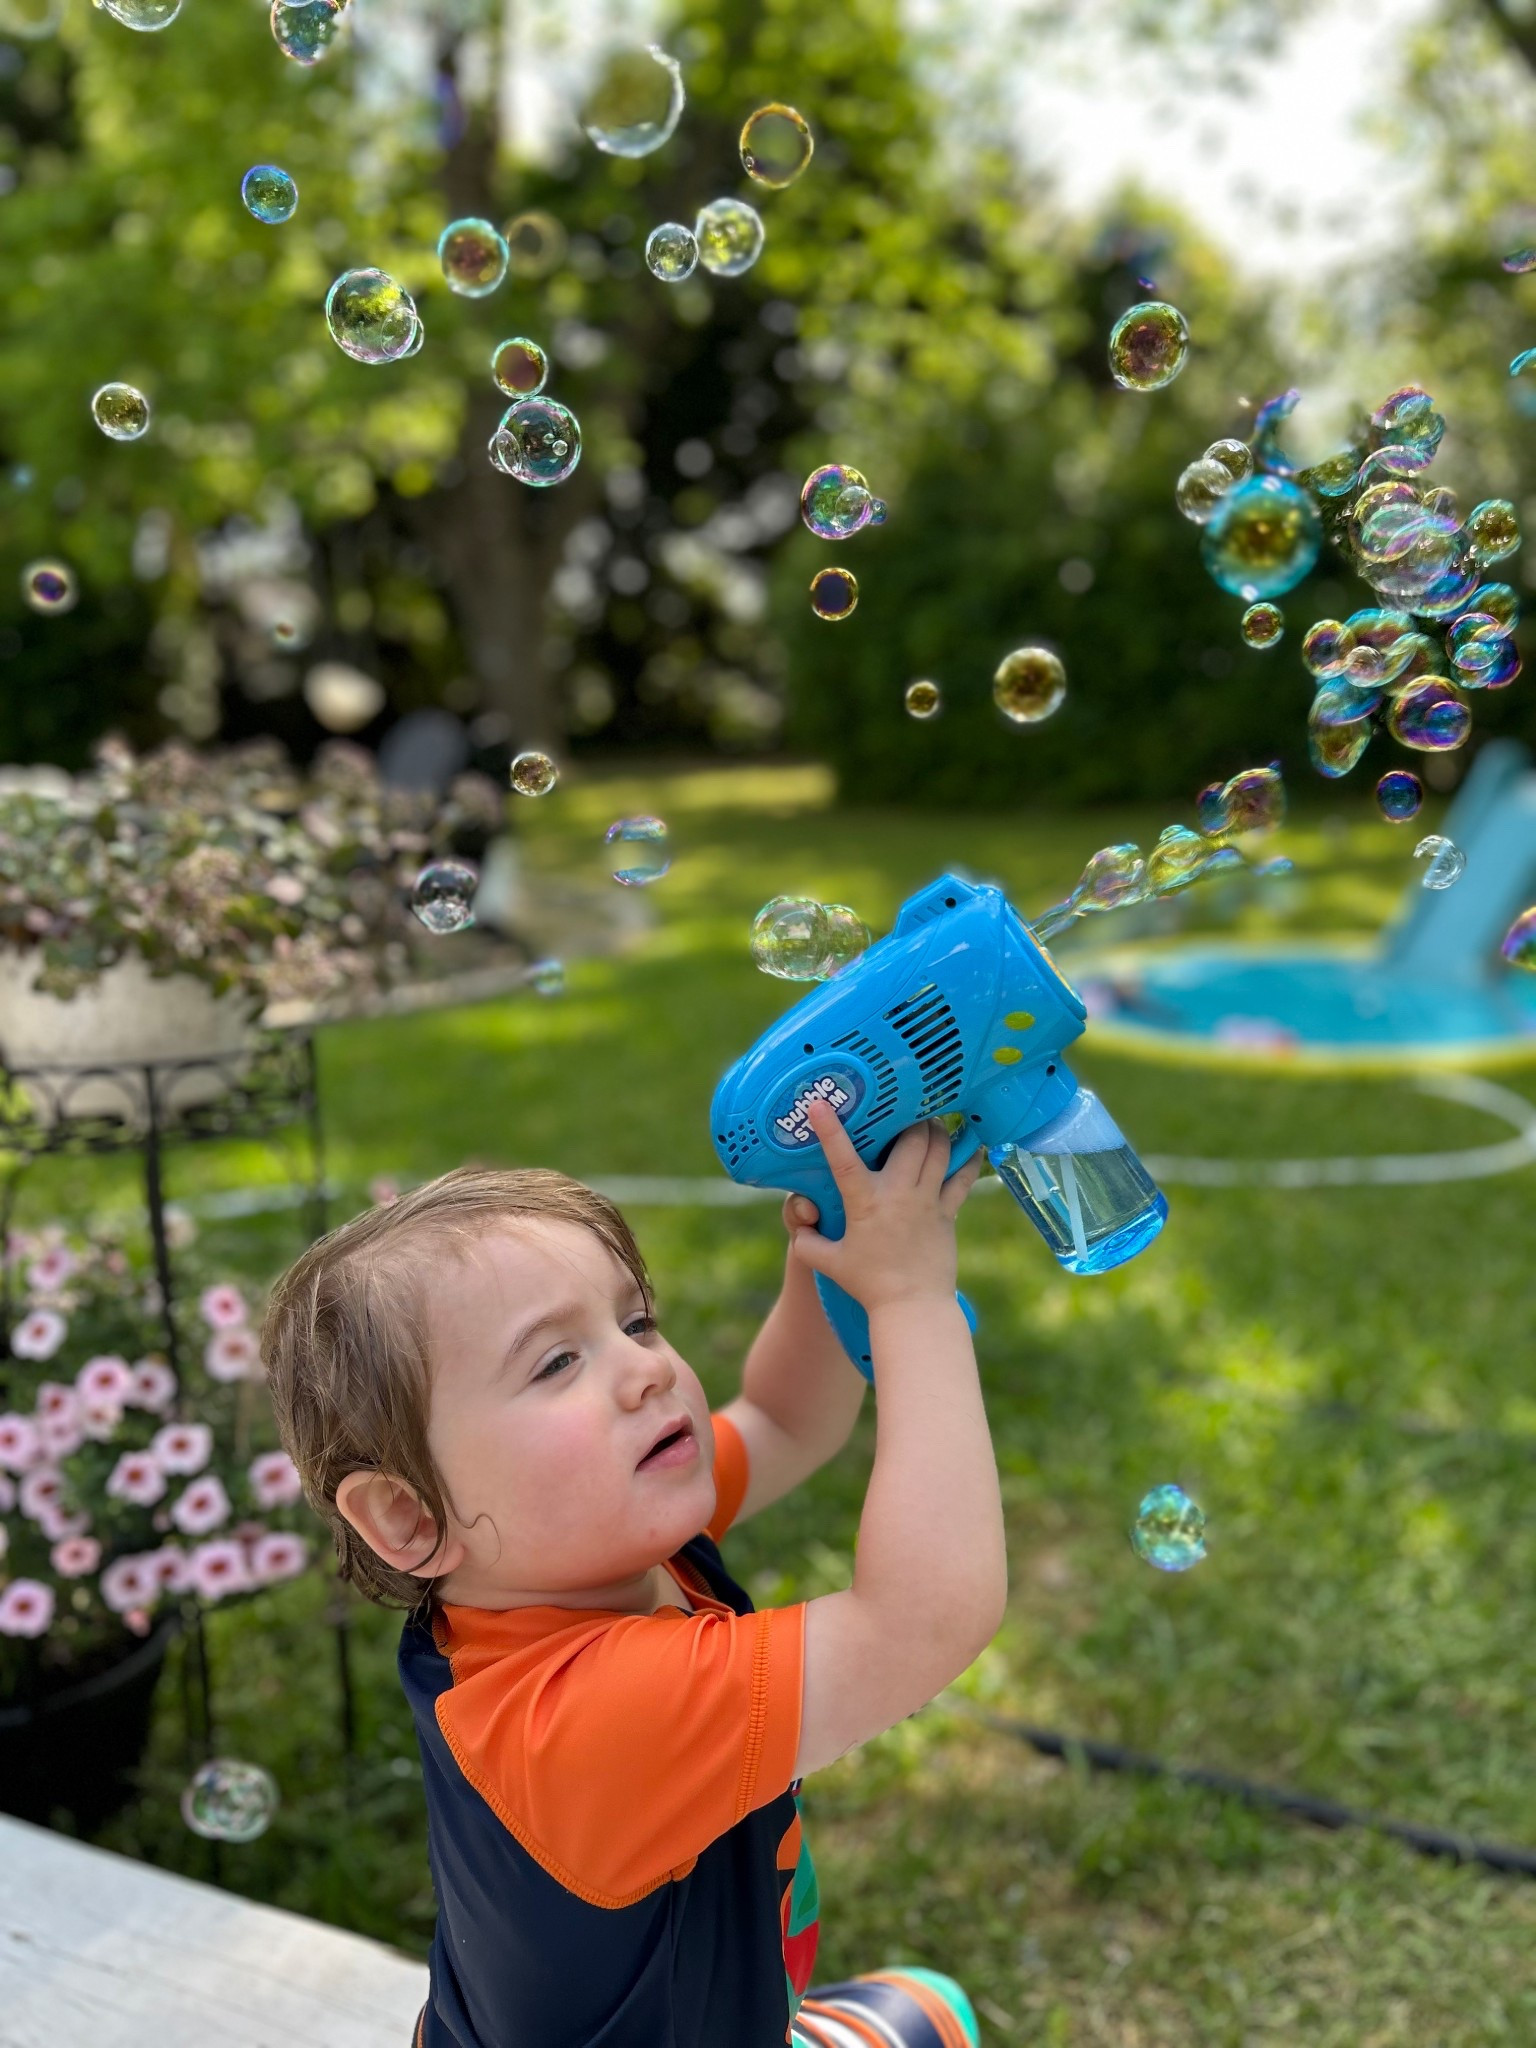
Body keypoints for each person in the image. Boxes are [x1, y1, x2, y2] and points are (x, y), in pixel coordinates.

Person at [262, 1095, 1007, 2048]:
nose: (644, 1368)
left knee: (927, 2003)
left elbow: (783, 1420)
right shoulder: (584, 1718)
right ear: (409, 1516)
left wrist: (831, 1252)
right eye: (556, 1363)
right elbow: (922, 1618)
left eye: (637, 1321)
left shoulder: (575, 1549)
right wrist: (911, 1302)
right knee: (931, 2013)